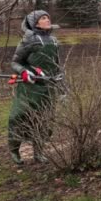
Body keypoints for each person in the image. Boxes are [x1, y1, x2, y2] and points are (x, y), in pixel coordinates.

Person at [8, 10, 62, 165]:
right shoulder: (29, 40)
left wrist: (60, 81)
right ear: (35, 23)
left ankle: (39, 153)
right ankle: (14, 150)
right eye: (43, 18)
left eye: (48, 17)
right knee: (19, 117)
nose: (47, 20)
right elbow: (15, 62)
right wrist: (24, 71)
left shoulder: (54, 40)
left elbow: (57, 64)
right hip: (29, 87)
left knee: (44, 120)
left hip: (48, 87)